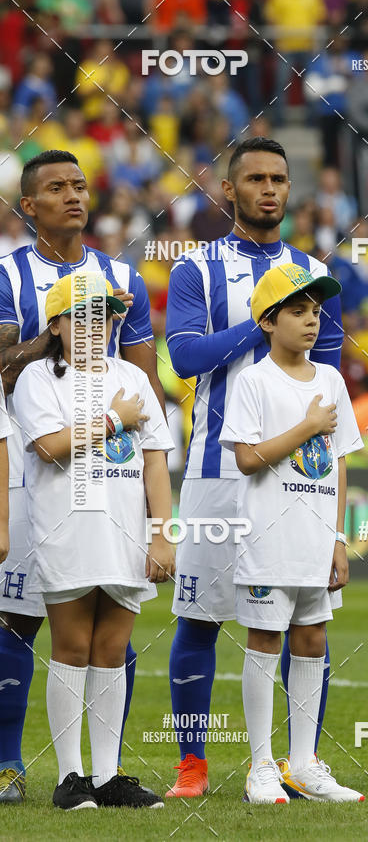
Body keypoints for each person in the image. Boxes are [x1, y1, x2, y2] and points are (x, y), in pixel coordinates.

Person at [166, 137, 343, 798]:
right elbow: (185, 359)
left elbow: (326, 375)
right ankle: (193, 764)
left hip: (299, 473)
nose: (270, 189)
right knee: (200, 619)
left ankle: (297, 764)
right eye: (256, 179)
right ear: (230, 192)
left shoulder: (314, 270)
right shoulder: (196, 269)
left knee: (305, 621)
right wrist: (262, 322)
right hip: (217, 472)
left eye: (279, 178)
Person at [0, 149, 164, 803]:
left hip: (113, 480)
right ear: (28, 204)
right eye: (57, 187)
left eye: (80, 185)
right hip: (27, 460)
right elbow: (4, 368)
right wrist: (51, 338)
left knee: (108, 633)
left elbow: (141, 374)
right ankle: (14, 764)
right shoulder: (9, 274)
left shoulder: (121, 274)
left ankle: (103, 772)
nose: (73, 195)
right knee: (18, 619)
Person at [219, 262, 364, 803]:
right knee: (264, 641)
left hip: (315, 538)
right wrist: (305, 426)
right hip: (267, 539)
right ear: (267, 321)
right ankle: (261, 766)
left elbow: (339, 461)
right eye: (298, 312)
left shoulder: (331, 380)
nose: (312, 322)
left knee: (312, 640)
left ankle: (302, 764)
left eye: (316, 312)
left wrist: (337, 538)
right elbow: (248, 459)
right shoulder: (254, 381)